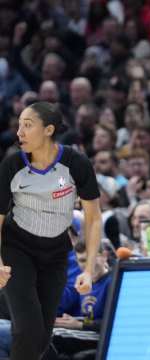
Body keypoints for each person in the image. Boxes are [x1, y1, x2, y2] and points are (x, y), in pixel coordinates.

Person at [0, 102, 101, 359]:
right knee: (27, 330)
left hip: (55, 251)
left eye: (28, 125)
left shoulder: (76, 162)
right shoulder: (12, 165)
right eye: (19, 125)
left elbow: (93, 217)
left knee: (43, 336)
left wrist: (88, 270)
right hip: (17, 249)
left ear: (49, 130)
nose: (19, 132)